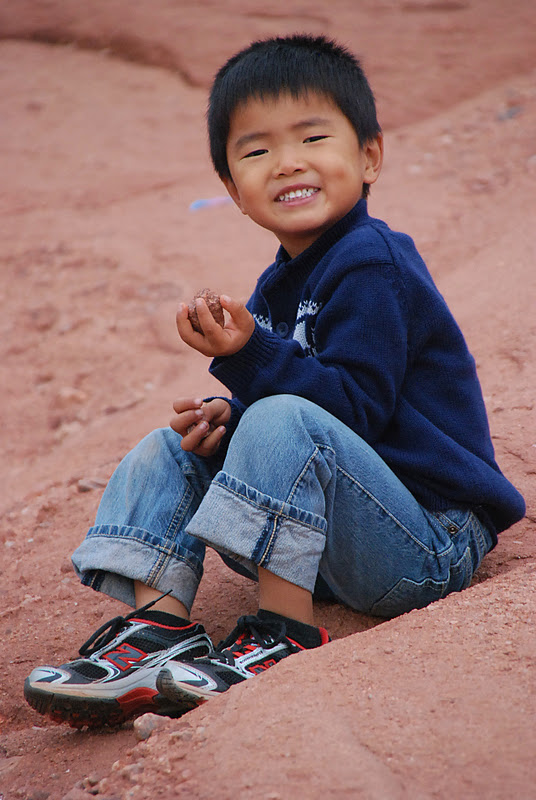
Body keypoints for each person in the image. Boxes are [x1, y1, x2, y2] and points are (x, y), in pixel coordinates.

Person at [24, 34, 525, 729]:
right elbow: (294, 413)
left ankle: (283, 633)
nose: (288, 162)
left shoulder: (373, 263)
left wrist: (250, 357)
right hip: (341, 540)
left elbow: (354, 412)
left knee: (278, 416)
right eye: (257, 150)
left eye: (313, 137)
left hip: (429, 539)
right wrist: (227, 418)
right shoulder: (278, 284)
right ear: (233, 190)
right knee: (172, 446)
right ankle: (158, 629)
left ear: (370, 156)